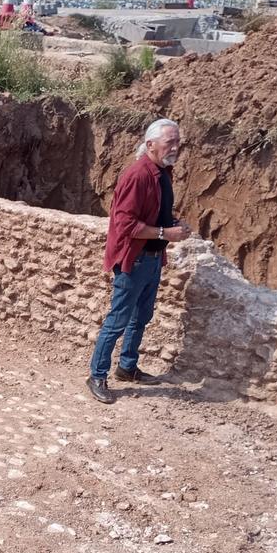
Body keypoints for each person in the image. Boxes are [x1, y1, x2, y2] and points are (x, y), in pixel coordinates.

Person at [86, 118, 193, 405]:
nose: (175, 147)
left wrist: (171, 224)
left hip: (153, 259)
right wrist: (165, 233)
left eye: (177, 142)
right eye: (170, 142)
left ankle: (127, 367)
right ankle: (97, 375)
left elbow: (153, 213)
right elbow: (125, 225)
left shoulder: (162, 173)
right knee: (118, 319)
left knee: (141, 317)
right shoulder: (138, 176)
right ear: (150, 145)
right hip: (134, 260)